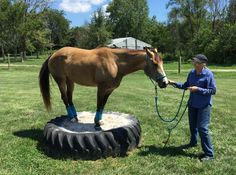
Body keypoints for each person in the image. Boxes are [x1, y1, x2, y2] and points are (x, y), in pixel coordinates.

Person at [168, 54, 216, 161]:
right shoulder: (192, 73)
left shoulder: (208, 74)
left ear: (203, 64)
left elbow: (212, 90)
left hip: (204, 106)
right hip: (192, 104)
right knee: (192, 126)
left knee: (202, 129)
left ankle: (209, 154)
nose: (195, 64)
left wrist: (198, 89)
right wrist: (173, 83)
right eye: (194, 62)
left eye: (197, 62)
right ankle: (193, 142)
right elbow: (186, 85)